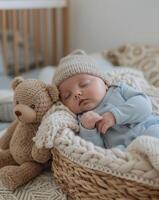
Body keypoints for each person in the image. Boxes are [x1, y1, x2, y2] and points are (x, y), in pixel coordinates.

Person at [52, 49, 159, 149]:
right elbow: (96, 149)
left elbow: (144, 105)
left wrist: (115, 116)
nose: (76, 94)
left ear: (104, 83)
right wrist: (88, 130)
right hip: (125, 151)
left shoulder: (118, 89)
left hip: (148, 129)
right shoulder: (82, 120)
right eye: (67, 96)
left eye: (84, 84)